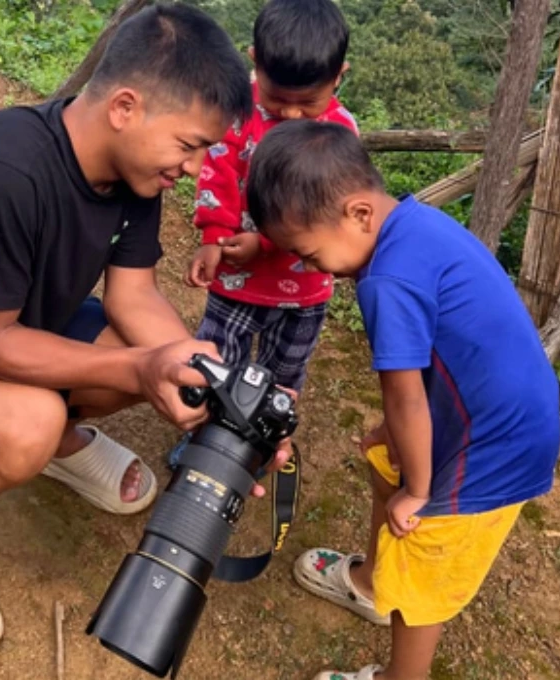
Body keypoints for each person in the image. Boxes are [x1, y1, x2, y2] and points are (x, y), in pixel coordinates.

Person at [0, 3, 291, 656]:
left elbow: (134, 296)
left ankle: (59, 445)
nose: (193, 168)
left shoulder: (135, 171)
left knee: (159, 353)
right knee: (29, 423)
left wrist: (214, 386)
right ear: (125, 107)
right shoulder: (3, 174)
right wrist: (139, 370)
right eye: (190, 145)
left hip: (18, 329)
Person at [245, 120, 560, 680]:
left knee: (422, 562)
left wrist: (419, 492)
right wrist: (396, 444)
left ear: (359, 215)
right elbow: (430, 372)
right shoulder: (415, 225)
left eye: (308, 252)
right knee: (384, 459)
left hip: (493, 448)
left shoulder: (385, 281)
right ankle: (370, 587)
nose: (307, 267)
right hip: (495, 413)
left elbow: (407, 398)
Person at [168, 0, 358, 468]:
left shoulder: (340, 134)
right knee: (214, 364)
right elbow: (217, 172)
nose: (292, 114)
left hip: (304, 292)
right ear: (255, 61)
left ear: (339, 76)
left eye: (307, 103)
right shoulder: (239, 115)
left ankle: (257, 445)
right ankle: (207, 443)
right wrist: (214, 235)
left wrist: (267, 244)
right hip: (236, 281)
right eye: (277, 100)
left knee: (282, 377)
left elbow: (327, 215)